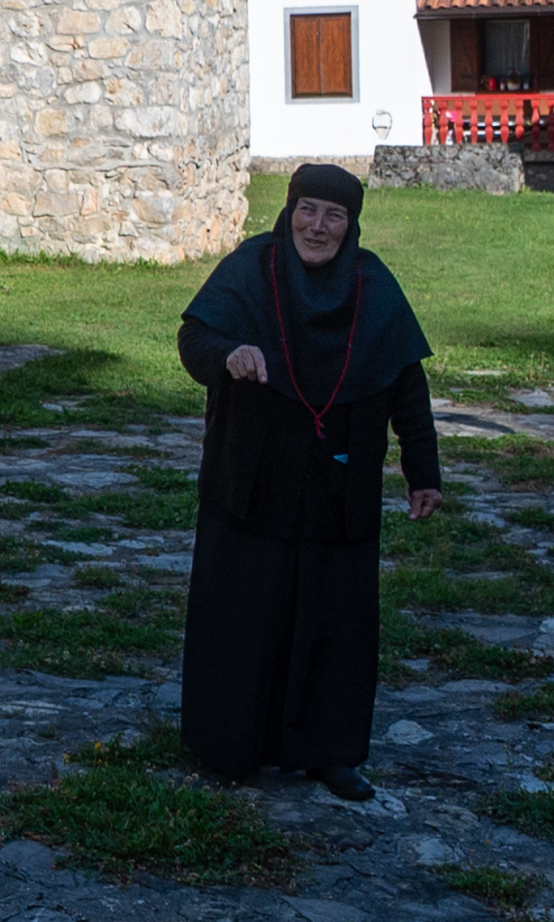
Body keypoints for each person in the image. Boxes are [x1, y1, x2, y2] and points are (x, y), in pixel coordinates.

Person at [176, 162, 442, 800]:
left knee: (336, 618)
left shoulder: (373, 284)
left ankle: (332, 754)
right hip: (253, 475)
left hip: (338, 483)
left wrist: (421, 472)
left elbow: (407, 383)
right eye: (308, 210)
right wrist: (227, 356)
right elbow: (194, 337)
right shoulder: (252, 267)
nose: (318, 227)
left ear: (350, 226)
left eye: (334, 215)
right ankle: (231, 747)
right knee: (245, 612)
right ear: (289, 210)